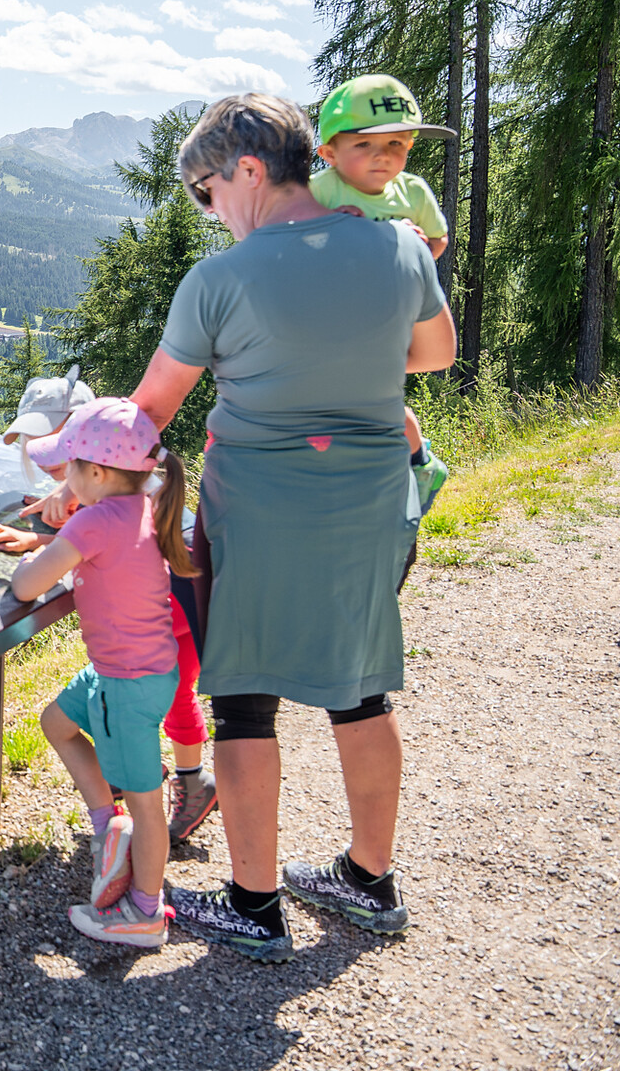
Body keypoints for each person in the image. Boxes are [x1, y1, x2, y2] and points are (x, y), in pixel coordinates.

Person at [115, 93, 454, 962]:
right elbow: (436, 354)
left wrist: (60, 461)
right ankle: (369, 882)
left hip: (259, 510)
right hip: (372, 500)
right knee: (361, 689)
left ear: (249, 171)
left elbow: (148, 412)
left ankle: (254, 906)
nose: (207, 209)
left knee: (242, 704)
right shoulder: (397, 246)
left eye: (204, 190)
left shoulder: (222, 280)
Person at [0, 397, 199, 948]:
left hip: (126, 685)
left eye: (70, 467)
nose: (64, 479)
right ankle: (109, 832)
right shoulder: (140, 508)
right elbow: (89, 553)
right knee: (56, 721)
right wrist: (55, 543)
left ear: (96, 473)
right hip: (140, 674)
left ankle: (145, 912)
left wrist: (35, 557)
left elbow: (28, 585)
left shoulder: (98, 519)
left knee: (148, 806)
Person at [310, 73, 454, 512]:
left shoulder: (412, 192)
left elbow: (437, 240)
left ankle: (418, 462)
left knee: (381, 396)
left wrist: (412, 253)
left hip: (389, 314)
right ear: (329, 152)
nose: (383, 157)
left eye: (396, 144)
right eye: (365, 145)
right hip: (334, 315)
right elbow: (289, 241)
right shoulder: (319, 190)